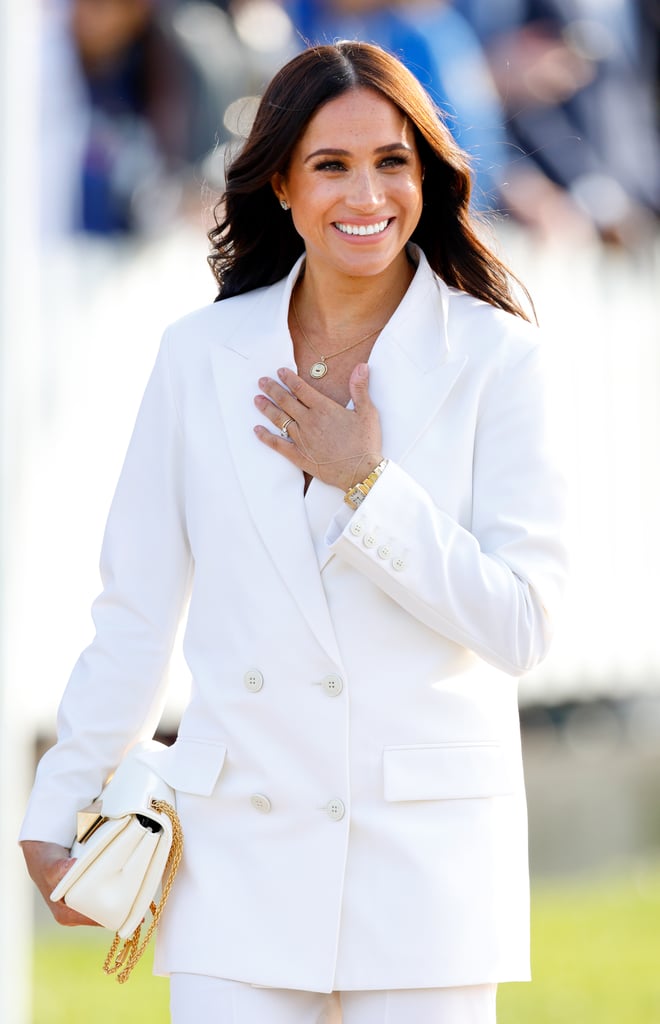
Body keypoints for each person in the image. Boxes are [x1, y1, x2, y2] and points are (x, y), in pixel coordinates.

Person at [20, 41, 568, 1024]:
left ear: (429, 177)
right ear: (280, 181)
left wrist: (366, 482)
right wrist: (60, 800)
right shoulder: (199, 357)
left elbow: (523, 623)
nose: (367, 193)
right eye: (331, 164)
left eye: (392, 161)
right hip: (239, 861)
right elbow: (137, 608)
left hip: (427, 874)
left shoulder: (497, 359)